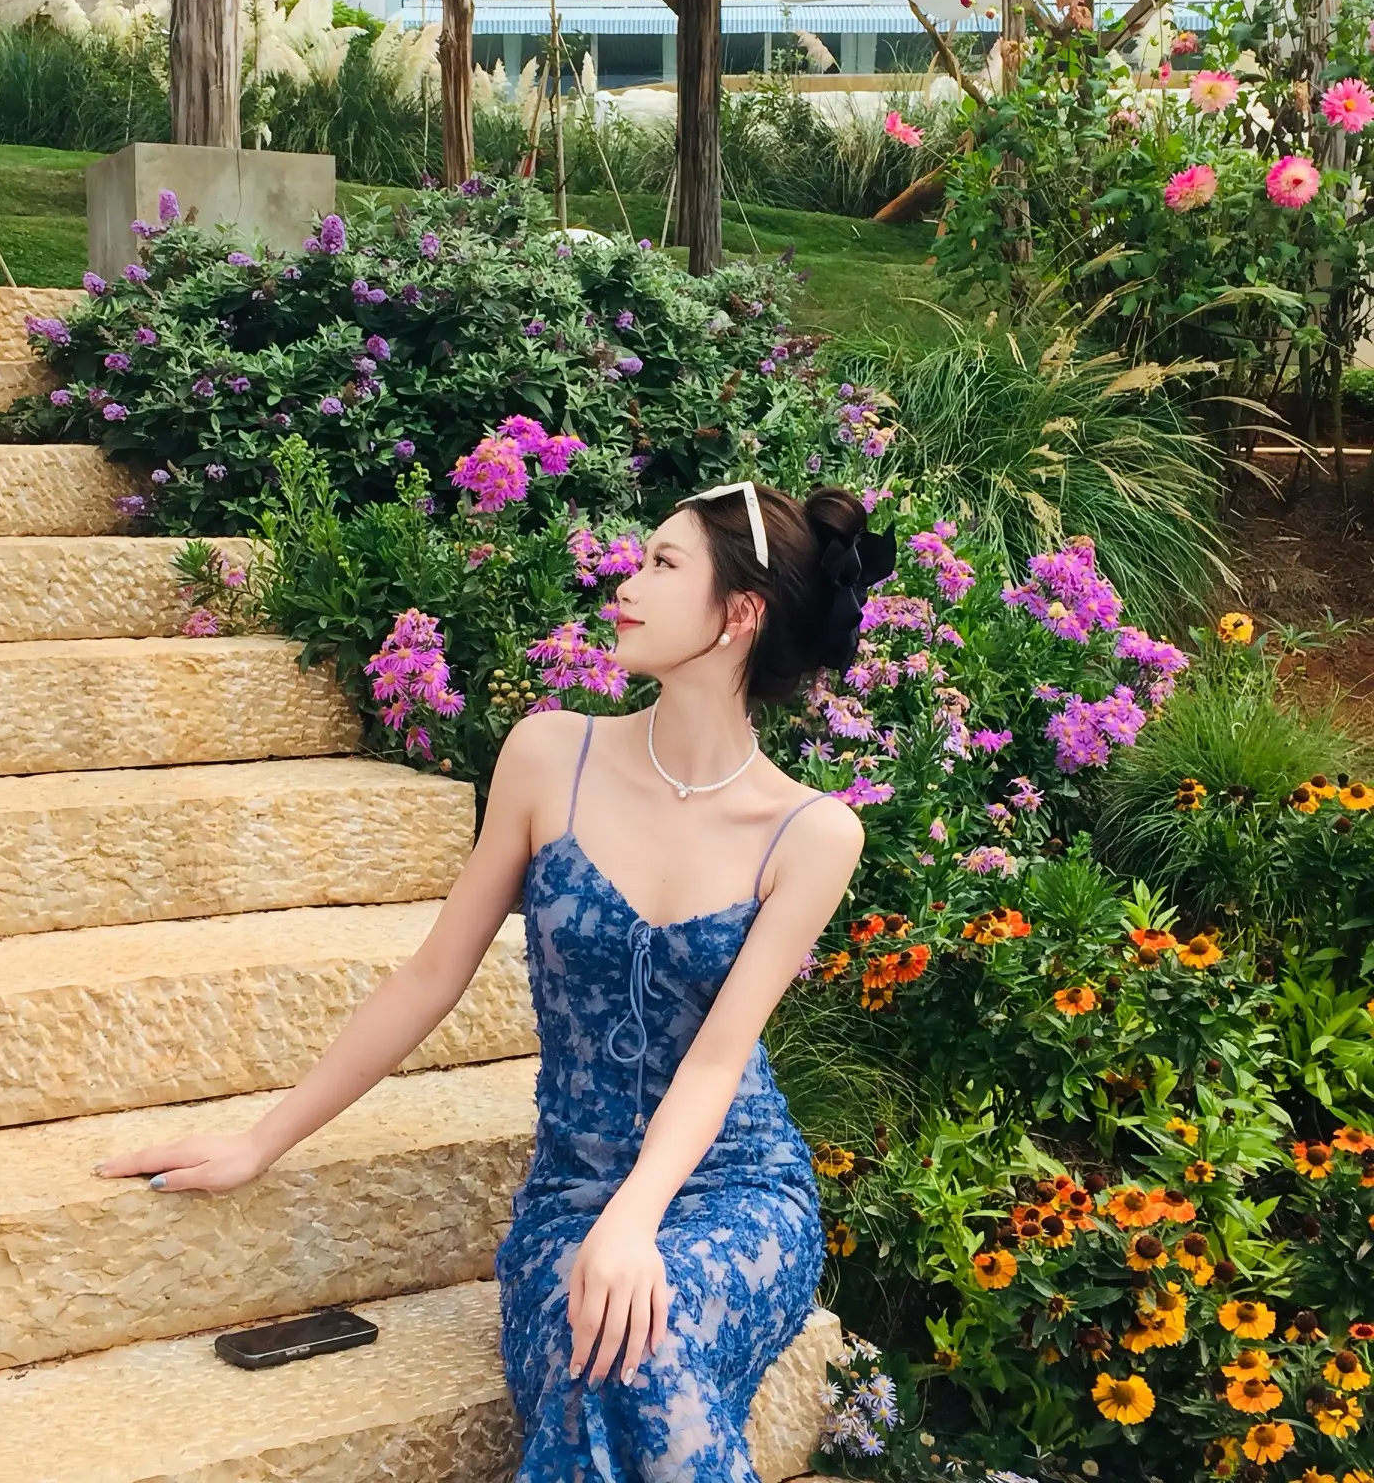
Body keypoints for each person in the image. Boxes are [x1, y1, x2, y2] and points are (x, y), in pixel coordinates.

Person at [91, 477, 896, 1480]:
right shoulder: (551, 755)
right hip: (573, 1191)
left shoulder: (812, 833)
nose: (626, 582)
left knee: (647, 1340)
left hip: (735, 1192)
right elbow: (433, 975)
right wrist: (261, 1139)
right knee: (613, 1349)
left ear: (740, 614)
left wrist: (637, 1220)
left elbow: (716, 1060)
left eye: (663, 564)